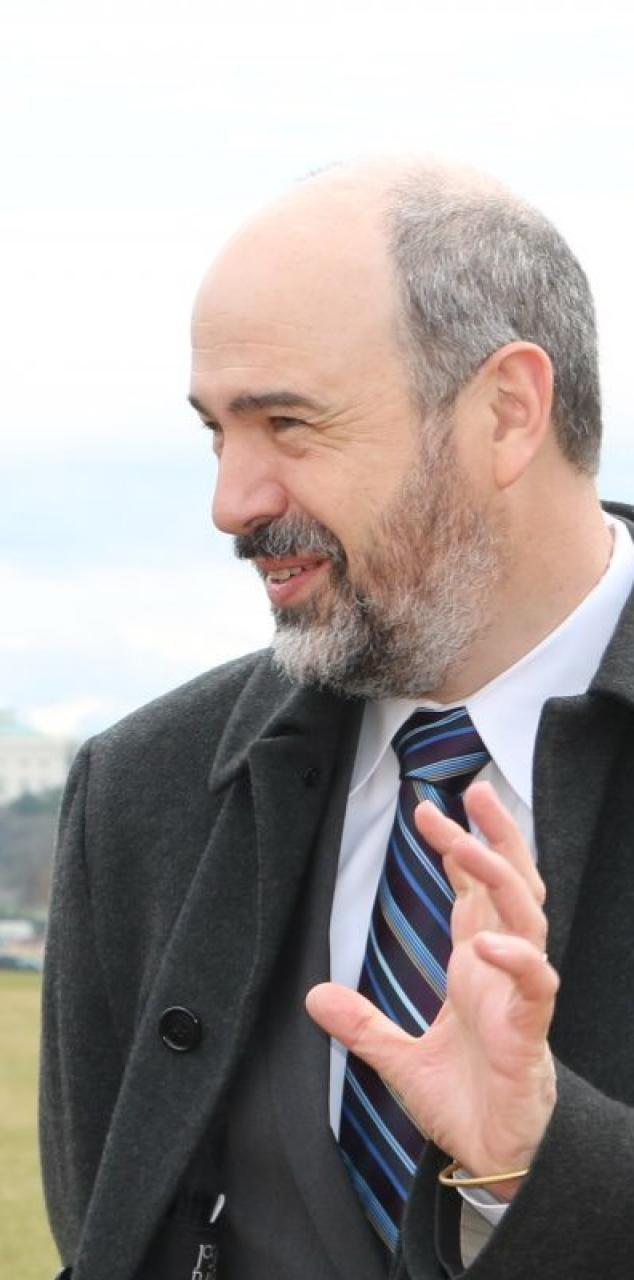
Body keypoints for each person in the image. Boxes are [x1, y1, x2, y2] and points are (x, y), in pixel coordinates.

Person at [40, 158, 634, 1279]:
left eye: (288, 423)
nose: (231, 501)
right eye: (216, 430)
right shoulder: (138, 792)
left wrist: (538, 1167)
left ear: (506, 412)